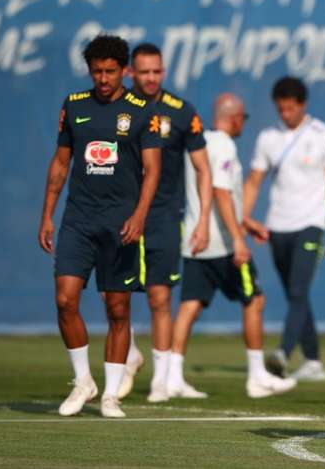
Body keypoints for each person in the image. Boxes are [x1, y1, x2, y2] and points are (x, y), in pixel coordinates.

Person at [38, 34, 161, 418]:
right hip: (78, 220)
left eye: (110, 71)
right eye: (97, 72)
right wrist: (47, 214)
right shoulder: (74, 107)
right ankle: (83, 382)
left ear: (124, 71)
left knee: (118, 309)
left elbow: (153, 169)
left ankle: (110, 394)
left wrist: (140, 214)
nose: (103, 79)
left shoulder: (141, 110)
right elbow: (60, 164)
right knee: (65, 300)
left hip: (121, 224)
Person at [167, 93, 297, 399]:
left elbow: (209, 197)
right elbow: (222, 193)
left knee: (189, 306)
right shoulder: (224, 145)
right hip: (223, 244)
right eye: (243, 118)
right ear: (235, 116)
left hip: (196, 242)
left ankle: (171, 376)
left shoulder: (198, 143)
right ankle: (256, 376)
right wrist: (239, 239)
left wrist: (247, 222)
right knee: (254, 300)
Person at [117, 43, 213, 403]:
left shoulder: (181, 111)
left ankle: (161, 380)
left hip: (163, 217)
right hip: (121, 215)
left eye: (157, 71)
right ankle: (128, 355)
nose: (151, 78)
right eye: (144, 72)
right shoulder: (117, 109)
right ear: (131, 73)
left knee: (160, 297)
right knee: (118, 298)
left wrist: (202, 220)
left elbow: (203, 169)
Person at [242, 77, 325, 382]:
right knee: (295, 293)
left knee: (298, 290)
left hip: (311, 222)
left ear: (302, 105)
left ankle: (282, 352)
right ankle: (313, 361)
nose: (285, 114)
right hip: (278, 225)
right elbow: (254, 181)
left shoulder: (323, 135)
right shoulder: (268, 137)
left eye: (290, 109)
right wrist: (243, 217)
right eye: (281, 109)